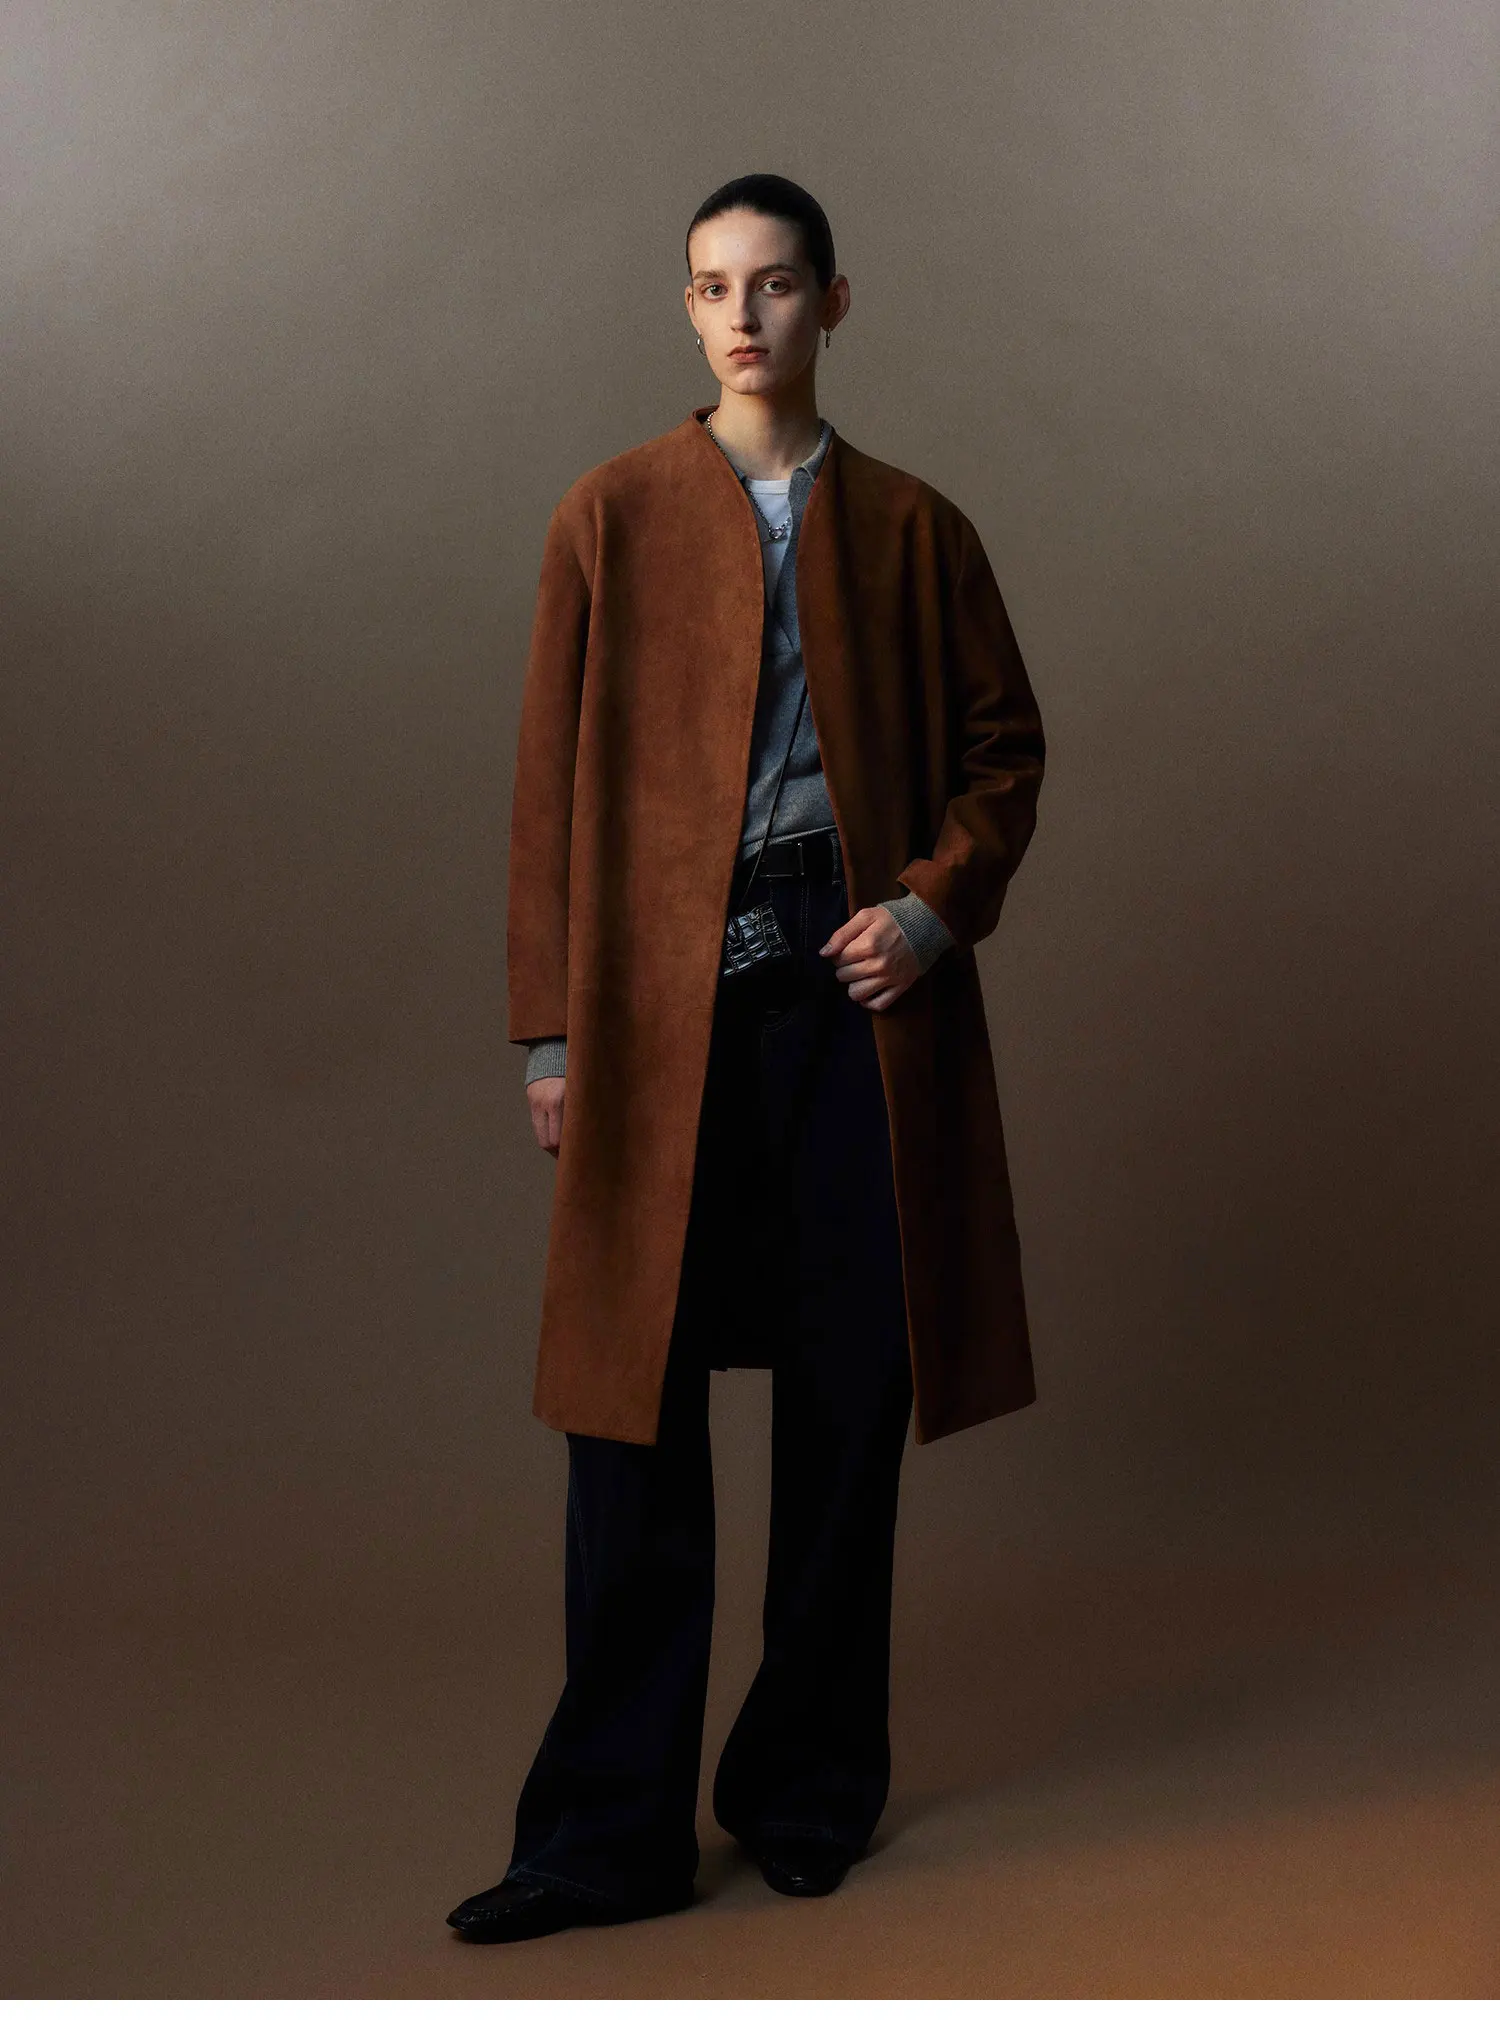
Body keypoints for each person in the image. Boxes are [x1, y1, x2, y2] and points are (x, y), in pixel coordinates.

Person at [447, 173, 1046, 1944]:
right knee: (630, 1410)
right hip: (660, 1009)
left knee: (848, 1397)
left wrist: (930, 910)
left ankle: (805, 1789)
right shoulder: (611, 513)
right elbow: (548, 784)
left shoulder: (919, 528)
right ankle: (606, 1834)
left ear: (832, 303)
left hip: (851, 1002)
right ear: (687, 306)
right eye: (713, 286)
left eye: (775, 285)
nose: (743, 317)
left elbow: (1005, 751)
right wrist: (553, 1029)